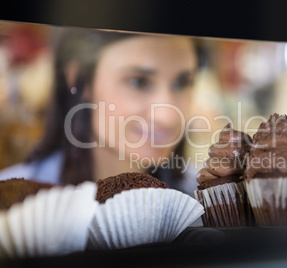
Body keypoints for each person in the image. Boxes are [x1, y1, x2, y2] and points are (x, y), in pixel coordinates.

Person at [0, 27, 205, 197]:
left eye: (182, 83)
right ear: (80, 78)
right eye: (138, 82)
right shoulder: (11, 201)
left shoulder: (204, 199)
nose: (167, 117)